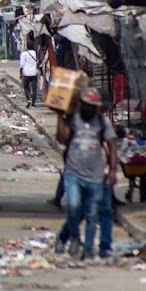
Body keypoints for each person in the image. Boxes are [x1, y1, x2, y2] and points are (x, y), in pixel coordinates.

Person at [54, 87, 118, 259]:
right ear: (81, 104)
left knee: (92, 213)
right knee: (74, 207)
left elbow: (112, 146)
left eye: (93, 106)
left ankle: (89, 248)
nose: (90, 109)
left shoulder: (103, 122)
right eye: (87, 105)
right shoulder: (73, 120)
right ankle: (74, 237)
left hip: (96, 176)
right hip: (73, 173)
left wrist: (112, 170)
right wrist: (60, 116)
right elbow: (62, 138)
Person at [19, 41, 39, 108]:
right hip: (34, 73)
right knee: (34, 89)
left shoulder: (24, 54)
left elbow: (21, 65)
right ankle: (33, 103)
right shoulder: (36, 53)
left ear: (27, 46)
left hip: (26, 73)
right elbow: (38, 62)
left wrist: (20, 73)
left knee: (25, 87)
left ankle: (28, 100)